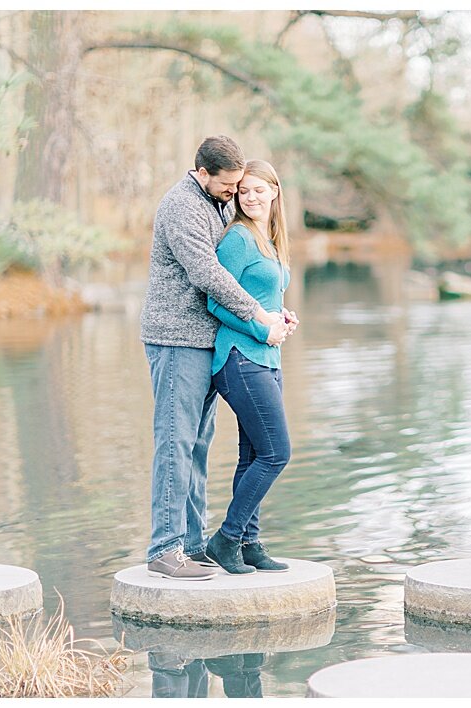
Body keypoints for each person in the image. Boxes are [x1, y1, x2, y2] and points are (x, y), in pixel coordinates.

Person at [141, 137, 289, 581]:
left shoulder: (217, 201)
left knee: (199, 446)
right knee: (175, 441)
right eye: (229, 185)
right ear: (202, 173)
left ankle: (191, 543)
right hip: (176, 338)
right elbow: (208, 274)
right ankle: (164, 548)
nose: (236, 192)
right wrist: (258, 317)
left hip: (208, 340)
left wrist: (273, 311)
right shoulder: (183, 206)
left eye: (239, 185)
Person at [202, 159, 297, 575]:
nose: (251, 197)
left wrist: (282, 315)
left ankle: (248, 544)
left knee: (253, 454)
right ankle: (225, 539)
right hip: (240, 358)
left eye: (259, 190)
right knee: (276, 453)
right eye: (244, 191)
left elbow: (262, 298)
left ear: (275, 191)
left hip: (266, 359)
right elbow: (216, 300)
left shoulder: (270, 240)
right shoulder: (238, 238)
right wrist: (263, 330)